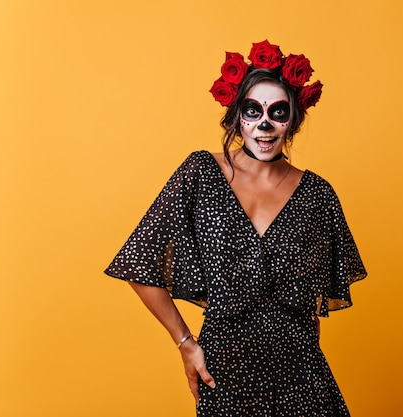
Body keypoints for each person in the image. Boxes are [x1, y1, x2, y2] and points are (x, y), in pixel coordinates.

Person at [105, 40, 367, 417]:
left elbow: (310, 308)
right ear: (237, 116)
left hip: (301, 376)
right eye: (253, 110)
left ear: (292, 119)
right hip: (224, 372)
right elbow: (139, 262)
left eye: (277, 112)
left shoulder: (317, 195)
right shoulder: (201, 174)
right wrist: (185, 343)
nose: (264, 124)